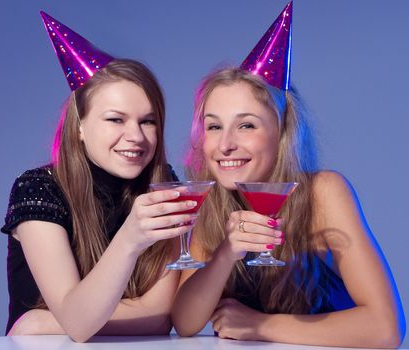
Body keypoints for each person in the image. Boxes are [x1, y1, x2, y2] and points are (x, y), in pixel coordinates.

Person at [172, 2, 405, 348]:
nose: (225, 144)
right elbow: (186, 323)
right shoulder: (212, 202)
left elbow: (385, 329)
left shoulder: (323, 193)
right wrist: (225, 253)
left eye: (246, 125)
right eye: (214, 127)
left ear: (282, 133)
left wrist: (261, 326)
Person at [1, 12, 196, 342]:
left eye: (147, 121)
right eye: (116, 120)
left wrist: (46, 321)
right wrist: (130, 237)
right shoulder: (38, 189)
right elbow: (79, 326)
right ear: (80, 126)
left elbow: (162, 318)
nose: (135, 136)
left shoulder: (165, 186)